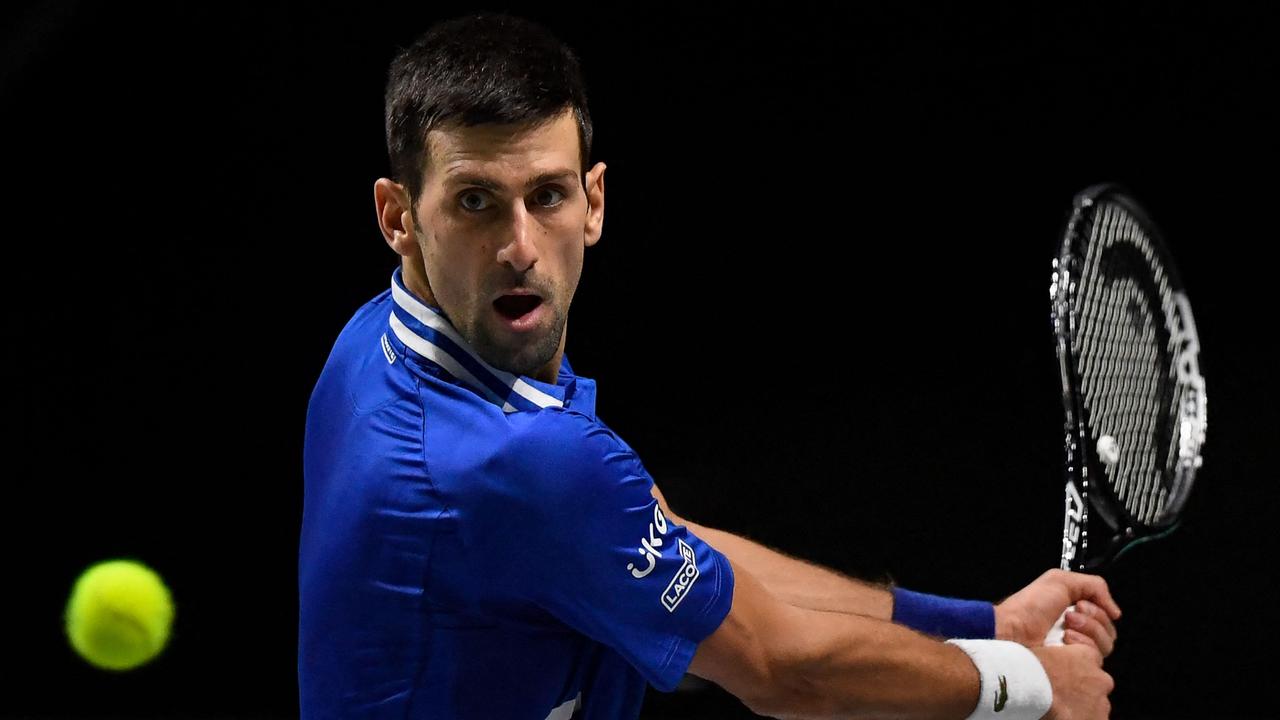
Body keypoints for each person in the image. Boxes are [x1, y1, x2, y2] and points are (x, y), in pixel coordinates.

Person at [300, 12, 1120, 719]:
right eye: (475, 201)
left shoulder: (376, 348)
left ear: (594, 202)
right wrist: (1031, 685)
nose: (519, 248)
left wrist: (983, 626)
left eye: (546, 196)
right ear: (399, 217)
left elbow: (670, 544)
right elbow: (781, 667)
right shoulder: (515, 462)